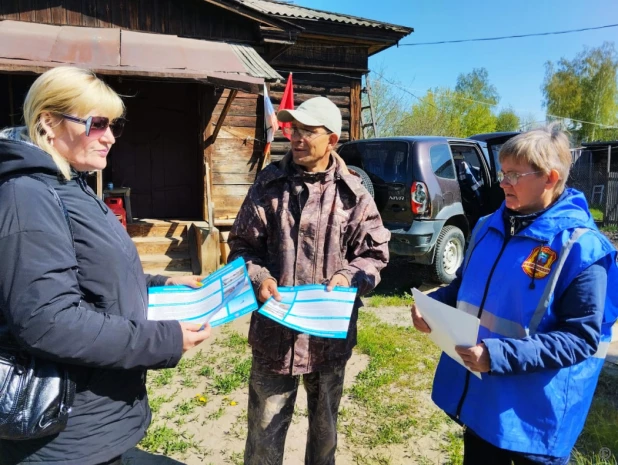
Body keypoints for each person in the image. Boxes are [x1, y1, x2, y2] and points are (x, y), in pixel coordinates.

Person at [0, 66, 211, 465]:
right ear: (49, 122)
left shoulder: (67, 183)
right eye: (97, 124)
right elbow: (48, 321)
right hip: (62, 435)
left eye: (113, 125)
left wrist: (160, 283)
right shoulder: (28, 195)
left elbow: (85, 275)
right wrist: (164, 341)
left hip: (95, 417)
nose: (110, 137)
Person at [412, 125, 618, 465]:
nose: (502, 183)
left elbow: (581, 339)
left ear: (550, 178)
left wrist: (496, 356)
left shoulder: (581, 248)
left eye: (513, 175)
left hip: (534, 418)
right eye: (502, 172)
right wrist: (434, 306)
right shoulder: (486, 227)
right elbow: (462, 286)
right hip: (482, 402)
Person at [228, 96, 390, 465]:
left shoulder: (354, 195)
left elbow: (375, 254)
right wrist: (259, 276)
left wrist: (349, 276)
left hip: (328, 340)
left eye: (307, 131)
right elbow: (241, 246)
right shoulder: (269, 185)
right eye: (293, 129)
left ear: (332, 139)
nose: (296, 138)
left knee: (324, 436)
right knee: (263, 438)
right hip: (275, 335)